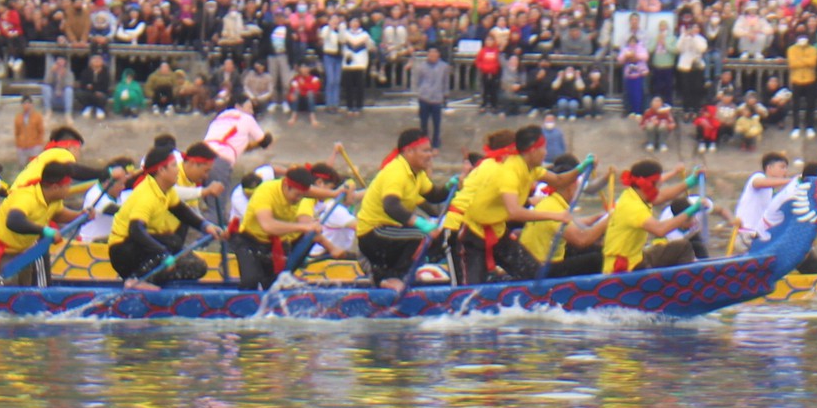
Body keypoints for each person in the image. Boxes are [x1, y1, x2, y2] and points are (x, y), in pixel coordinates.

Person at [441, 127, 565, 285]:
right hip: (462, 228)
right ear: (510, 152)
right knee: (469, 287)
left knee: (531, 271)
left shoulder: (504, 167)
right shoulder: (498, 169)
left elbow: (501, 200)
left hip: (491, 226)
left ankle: (507, 286)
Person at [109, 142, 213, 284]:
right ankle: (135, 280)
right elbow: (136, 230)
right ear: (162, 170)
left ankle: (154, 279)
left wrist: (205, 226)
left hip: (142, 248)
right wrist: (162, 252)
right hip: (123, 251)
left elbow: (181, 211)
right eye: (174, 166)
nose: (178, 170)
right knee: (171, 242)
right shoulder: (147, 195)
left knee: (198, 267)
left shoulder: (167, 190)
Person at [0, 159, 103, 286]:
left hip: (22, 250)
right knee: (8, 296)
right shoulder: (26, 197)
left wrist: (80, 215)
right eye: (68, 185)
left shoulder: (54, 199)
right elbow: (14, 221)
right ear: (55, 187)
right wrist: (45, 231)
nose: (69, 189)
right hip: (0, 251)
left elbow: (58, 214)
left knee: (24, 294)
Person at [228, 164, 340, 288]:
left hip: (276, 243)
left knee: (273, 284)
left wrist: (336, 193)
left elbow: (314, 191)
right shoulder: (266, 192)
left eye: (302, 196)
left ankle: (282, 278)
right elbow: (268, 225)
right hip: (250, 240)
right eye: (297, 195)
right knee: (250, 281)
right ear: (286, 186)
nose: (299, 199)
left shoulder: (299, 191)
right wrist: (304, 227)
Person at [354, 128, 442, 285]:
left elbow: (435, 196)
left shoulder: (417, 173)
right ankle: (394, 278)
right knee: (422, 236)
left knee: (437, 239)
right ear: (409, 151)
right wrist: (421, 223)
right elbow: (391, 205)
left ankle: (389, 275)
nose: (430, 155)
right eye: (426, 150)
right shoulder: (396, 171)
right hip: (374, 234)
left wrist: (455, 184)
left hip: (391, 233)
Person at [603, 160, 701, 272]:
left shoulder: (633, 194)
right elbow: (660, 229)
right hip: (624, 267)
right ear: (648, 184)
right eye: (659, 184)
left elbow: (663, 196)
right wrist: (692, 210)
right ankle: (683, 285)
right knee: (683, 247)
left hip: (635, 257)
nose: (660, 186)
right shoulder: (634, 207)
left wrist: (692, 180)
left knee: (675, 247)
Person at [527, 156, 607, 276]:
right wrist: (610, 218)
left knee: (593, 250)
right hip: (540, 268)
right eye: (576, 187)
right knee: (598, 259)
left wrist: (597, 220)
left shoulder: (552, 201)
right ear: (570, 187)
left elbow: (576, 229)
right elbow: (581, 239)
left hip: (542, 260)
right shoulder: (554, 208)